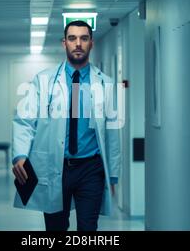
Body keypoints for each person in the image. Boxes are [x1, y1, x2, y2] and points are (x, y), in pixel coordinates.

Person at [12, 20, 121, 231]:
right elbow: (25, 119)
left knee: (88, 229)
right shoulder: (43, 80)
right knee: (55, 228)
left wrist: (113, 174)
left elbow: (112, 131)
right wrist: (20, 155)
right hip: (56, 166)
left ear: (91, 43)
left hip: (92, 168)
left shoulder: (105, 83)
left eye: (84, 38)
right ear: (64, 43)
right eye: (72, 38)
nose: (78, 43)